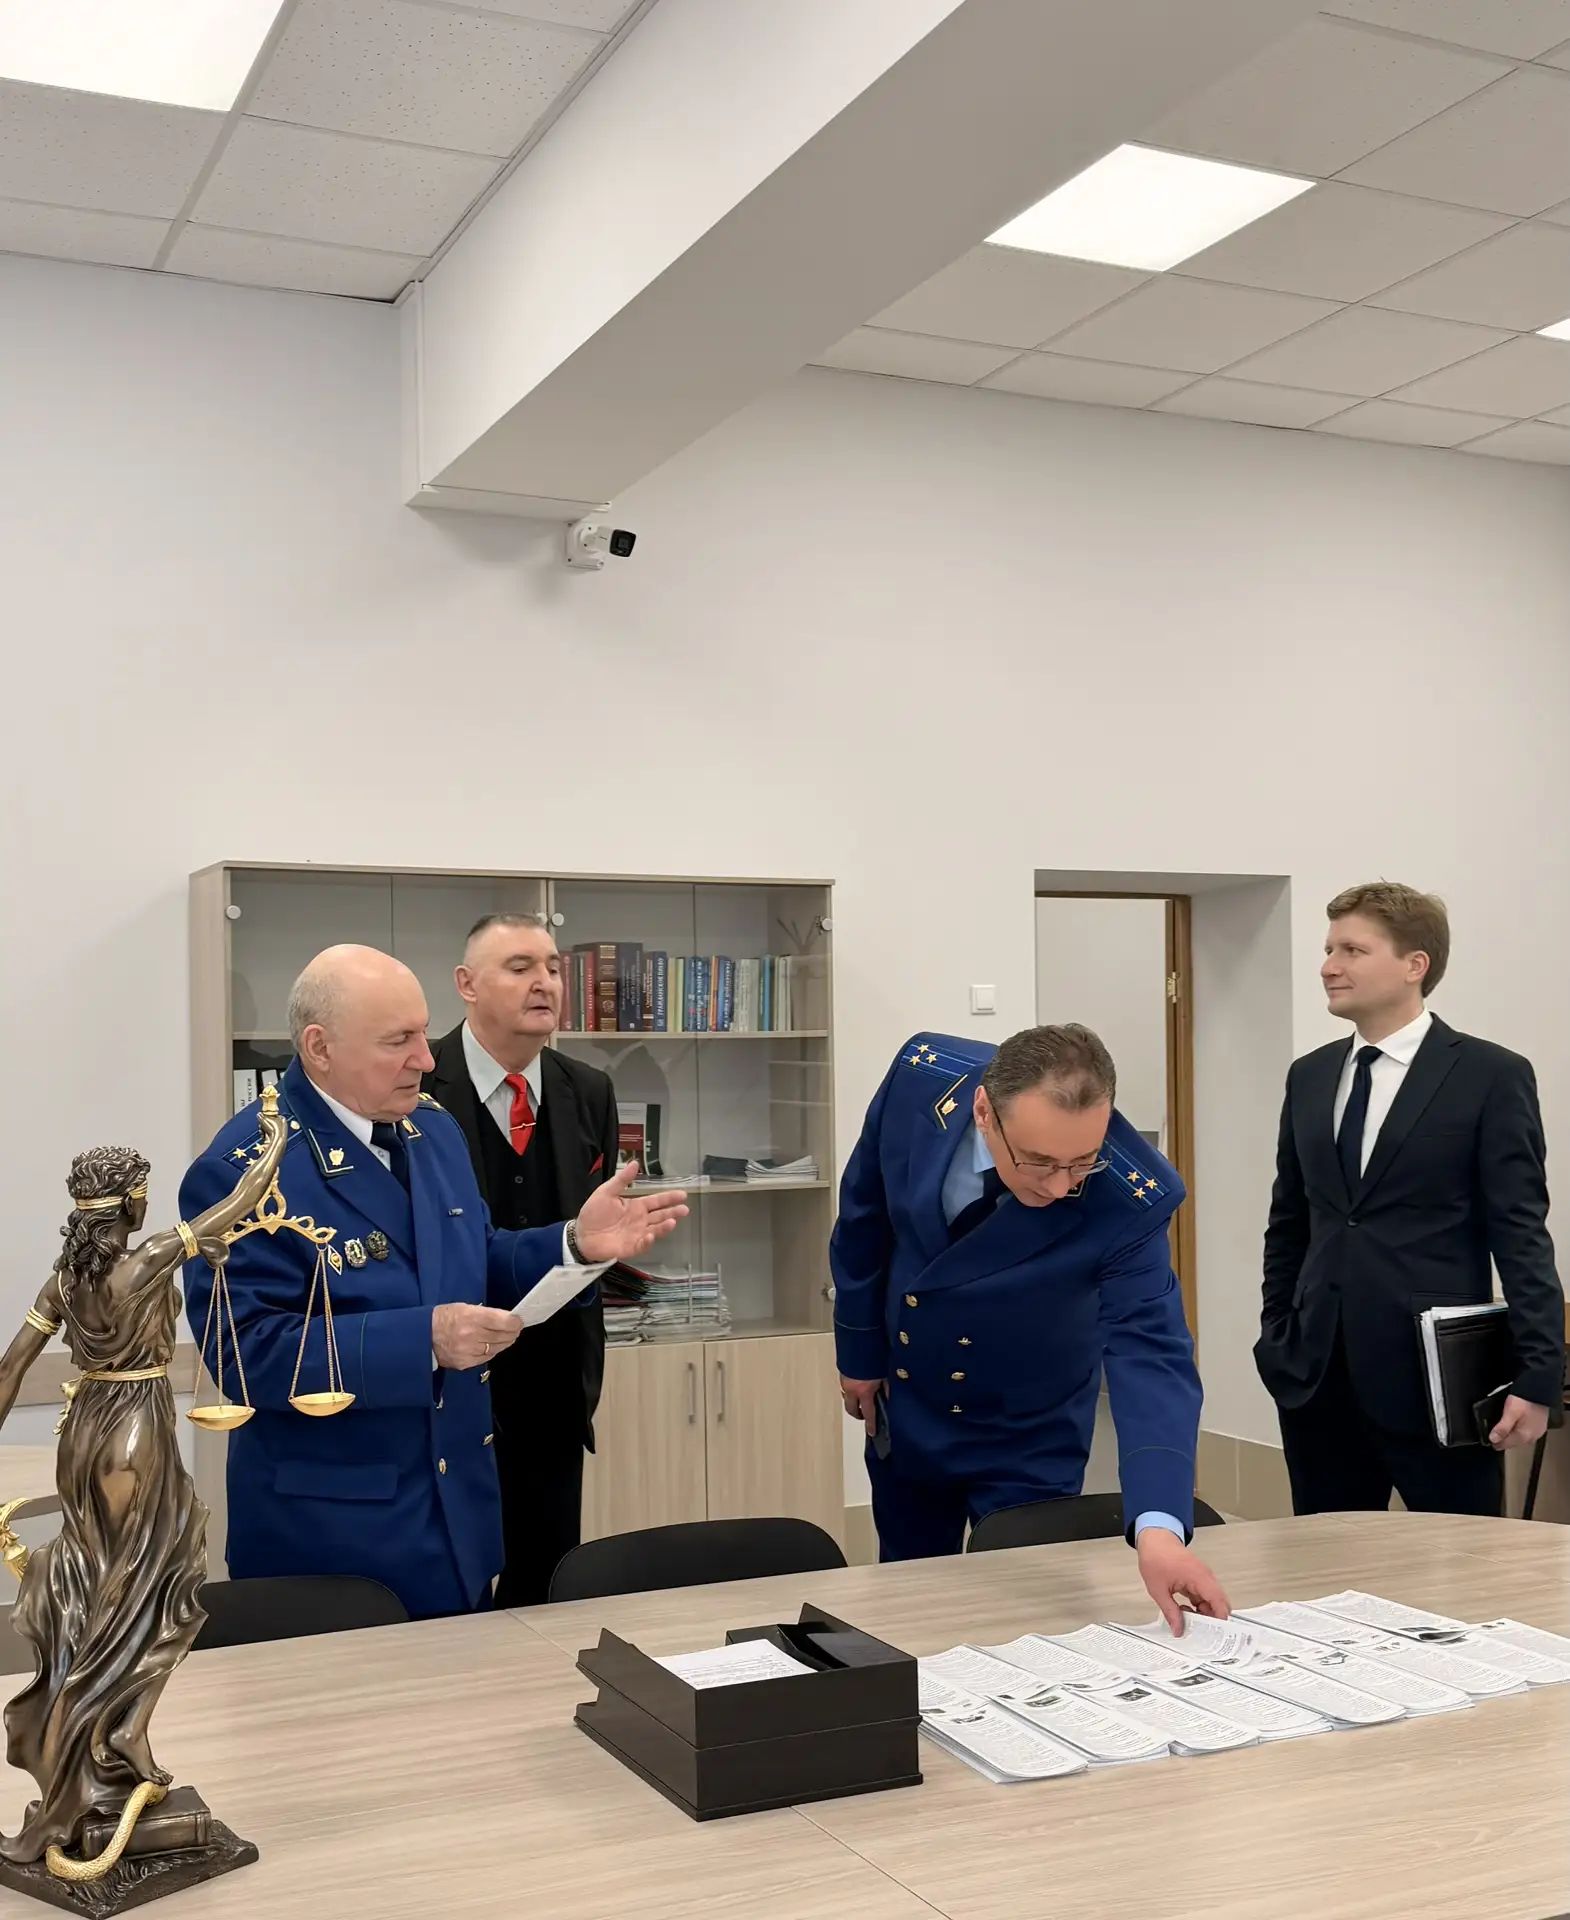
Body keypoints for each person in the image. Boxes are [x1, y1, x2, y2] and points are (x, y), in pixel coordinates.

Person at [180, 945, 685, 1620]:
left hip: (457, 1522)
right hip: (334, 1541)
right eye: (399, 1041)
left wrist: (572, 1243)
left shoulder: (430, 1129)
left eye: (423, 1033)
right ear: (320, 1048)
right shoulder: (243, 1171)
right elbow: (247, 1355)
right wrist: (426, 1338)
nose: (425, 1058)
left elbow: (475, 1256)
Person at [833, 1024, 1227, 1631]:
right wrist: (859, 1353)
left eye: (1083, 1162)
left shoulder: (1134, 1196)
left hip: (1031, 1425)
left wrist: (1159, 1528)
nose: (1061, 1185)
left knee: (1018, 1617)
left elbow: (1151, 1352)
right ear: (983, 1112)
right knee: (912, 1606)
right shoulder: (923, 1074)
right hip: (910, 1396)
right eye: (1039, 1161)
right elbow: (865, 1211)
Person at [0, 1115, 285, 1865]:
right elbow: (243, 1199)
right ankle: (109, 1731)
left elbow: (9, 1368)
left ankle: (114, 1731)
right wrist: (277, 1139)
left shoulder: (64, 1282)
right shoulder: (152, 1256)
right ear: (129, 1203)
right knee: (157, 1577)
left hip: (83, 1432)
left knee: (102, 1583)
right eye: (144, 1192)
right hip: (136, 1429)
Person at [1256, 882, 1564, 1517]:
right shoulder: (1309, 1076)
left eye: (1352, 950)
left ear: (1414, 965)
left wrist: (1538, 1376)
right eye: (1328, 949)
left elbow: (1521, 1234)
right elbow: (1290, 1222)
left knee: (1462, 1564)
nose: (1329, 966)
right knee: (1328, 1561)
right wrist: (1277, 1335)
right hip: (1318, 1379)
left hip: (1439, 1382)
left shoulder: (1490, 1076)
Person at [424, 912, 617, 1606]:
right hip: (447, 1379)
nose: (545, 983)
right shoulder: (417, 1087)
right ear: (466, 984)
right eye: (520, 967)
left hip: (556, 1382)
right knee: (457, 1595)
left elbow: (594, 1228)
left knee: (549, 1586)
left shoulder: (587, 1089)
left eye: (554, 968)